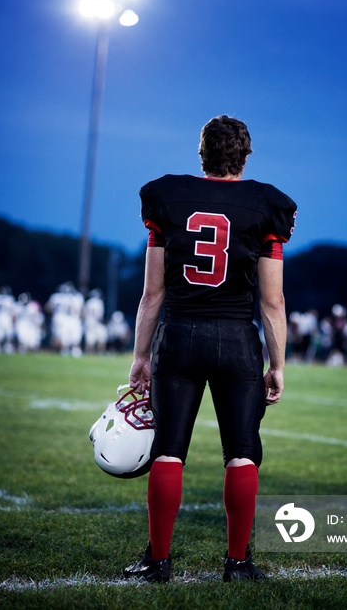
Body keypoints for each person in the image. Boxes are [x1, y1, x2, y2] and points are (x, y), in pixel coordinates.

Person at [124, 115, 297, 583]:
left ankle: (158, 561)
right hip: (236, 340)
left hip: (178, 335)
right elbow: (272, 300)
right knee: (241, 453)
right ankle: (237, 562)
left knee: (168, 451)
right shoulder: (266, 205)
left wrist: (140, 356)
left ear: (201, 153)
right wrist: (277, 364)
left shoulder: (167, 197)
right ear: (245, 155)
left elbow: (152, 294)